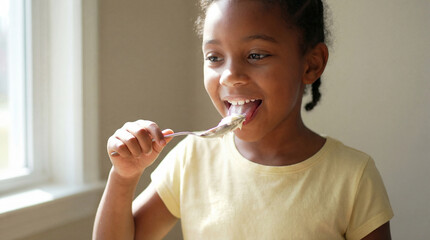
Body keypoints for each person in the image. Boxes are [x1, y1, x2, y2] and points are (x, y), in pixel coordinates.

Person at [93, 0, 394, 239]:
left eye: (256, 55)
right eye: (214, 57)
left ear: (311, 65)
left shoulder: (353, 177)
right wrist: (124, 176)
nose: (230, 76)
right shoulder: (192, 159)